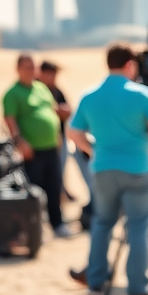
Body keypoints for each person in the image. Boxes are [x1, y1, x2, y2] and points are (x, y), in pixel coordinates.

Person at [67, 43, 148, 295]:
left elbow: (73, 133)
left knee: (102, 223)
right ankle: (137, 285)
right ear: (130, 64)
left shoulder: (89, 95)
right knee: (138, 226)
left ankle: (95, 282)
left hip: (103, 168)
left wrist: (94, 150)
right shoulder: (140, 93)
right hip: (137, 167)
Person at [3, 54, 74, 237]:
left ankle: (57, 224)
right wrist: (20, 141)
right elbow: (10, 119)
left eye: (32, 67)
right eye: (25, 67)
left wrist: (58, 132)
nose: (29, 71)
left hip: (51, 147)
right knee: (34, 191)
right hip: (31, 151)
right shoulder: (12, 93)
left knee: (54, 186)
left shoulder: (41, 88)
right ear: (18, 69)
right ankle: (33, 229)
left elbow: (52, 112)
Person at [38, 60, 95, 224]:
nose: (54, 76)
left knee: (59, 174)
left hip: (60, 139)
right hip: (43, 143)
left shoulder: (57, 91)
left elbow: (69, 112)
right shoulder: (38, 90)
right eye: (51, 73)